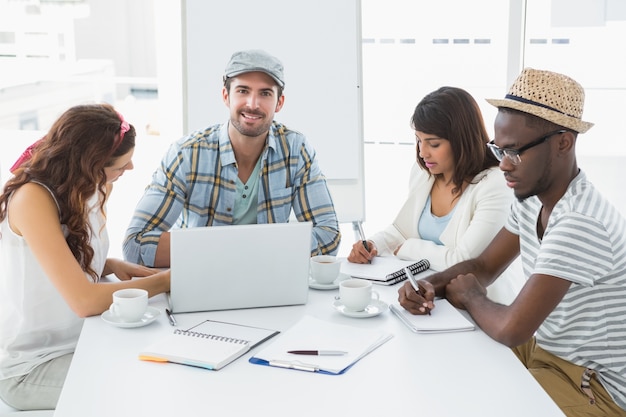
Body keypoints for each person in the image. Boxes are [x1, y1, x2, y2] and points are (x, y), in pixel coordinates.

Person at [399, 69, 626, 417]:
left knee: (476, 402)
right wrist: (426, 285)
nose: (503, 164)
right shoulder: (532, 197)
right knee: (447, 366)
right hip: (548, 354)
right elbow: (483, 266)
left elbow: (510, 328)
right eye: (499, 148)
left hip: (596, 387)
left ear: (563, 142)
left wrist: (469, 294)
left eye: (515, 152)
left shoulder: (580, 220)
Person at [0, 104, 171, 411]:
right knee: (147, 388)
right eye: (120, 165)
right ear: (90, 163)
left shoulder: (89, 187)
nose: (129, 169)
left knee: (167, 365)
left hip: (83, 342)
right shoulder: (31, 199)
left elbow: (59, 256)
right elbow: (84, 301)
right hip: (31, 367)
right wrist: (165, 281)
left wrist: (110, 264)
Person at [123, 49, 341, 267]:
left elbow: (329, 236)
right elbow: (136, 244)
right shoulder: (187, 153)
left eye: (265, 93)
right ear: (226, 96)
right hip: (200, 280)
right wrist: (252, 248)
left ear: (279, 103)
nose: (253, 104)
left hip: (269, 280)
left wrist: (220, 248)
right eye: (243, 91)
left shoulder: (296, 149)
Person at [348, 86, 519, 303]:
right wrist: (373, 245)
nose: (422, 152)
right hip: (432, 299)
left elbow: (464, 262)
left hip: (482, 308)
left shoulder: (495, 184)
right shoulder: (424, 173)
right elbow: (402, 229)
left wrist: (408, 247)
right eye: (419, 140)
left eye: (434, 143)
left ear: (461, 140)